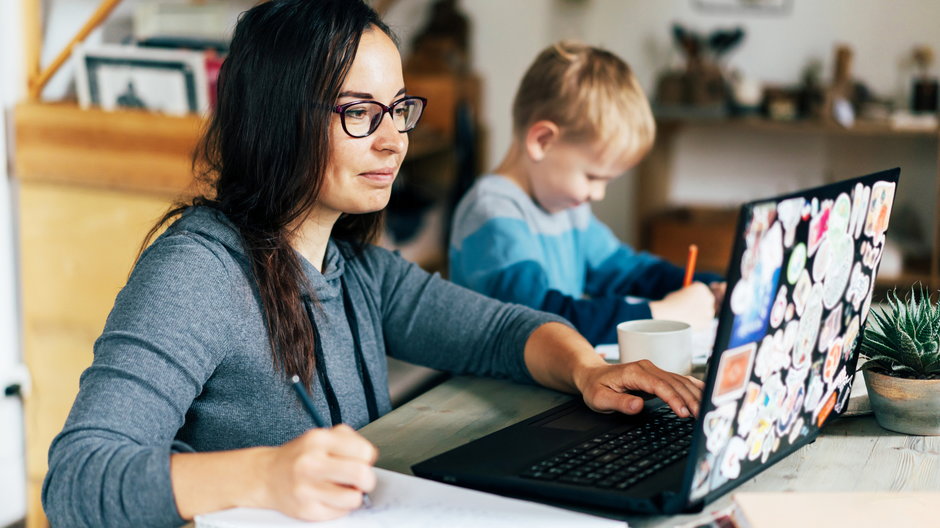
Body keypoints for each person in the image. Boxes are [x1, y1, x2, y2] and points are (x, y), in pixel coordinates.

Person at [41, 3, 704, 527]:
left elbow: (502, 331)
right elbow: (76, 481)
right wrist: (264, 476)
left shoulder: (354, 267)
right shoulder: (196, 274)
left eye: (398, 110)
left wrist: (588, 369)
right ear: (278, 119)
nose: (393, 139)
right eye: (359, 112)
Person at [449, 41, 726, 346]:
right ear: (542, 141)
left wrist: (709, 286)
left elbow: (627, 271)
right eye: (593, 176)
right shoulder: (492, 213)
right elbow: (543, 320)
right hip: (489, 388)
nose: (598, 194)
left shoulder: (567, 207)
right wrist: (659, 314)